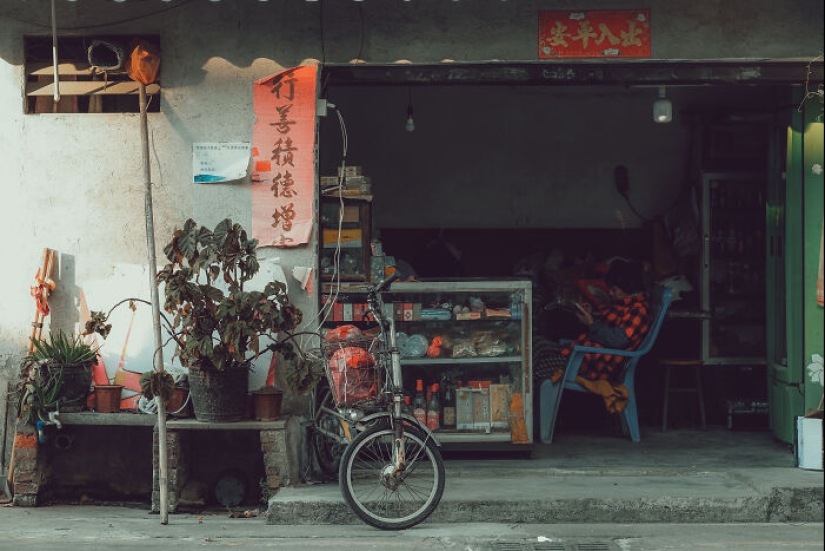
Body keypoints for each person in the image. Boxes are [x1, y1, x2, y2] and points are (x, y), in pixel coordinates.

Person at [532, 259, 652, 414]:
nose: (611, 293)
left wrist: (592, 324)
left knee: (536, 366)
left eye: (614, 289)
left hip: (590, 364)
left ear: (628, 288)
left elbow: (617, 340)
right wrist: (591, 316)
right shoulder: (624, 305)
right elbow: (607, 326)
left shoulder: (638, 311)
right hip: (582, 353)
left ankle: (528, 412)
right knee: (536, 343)